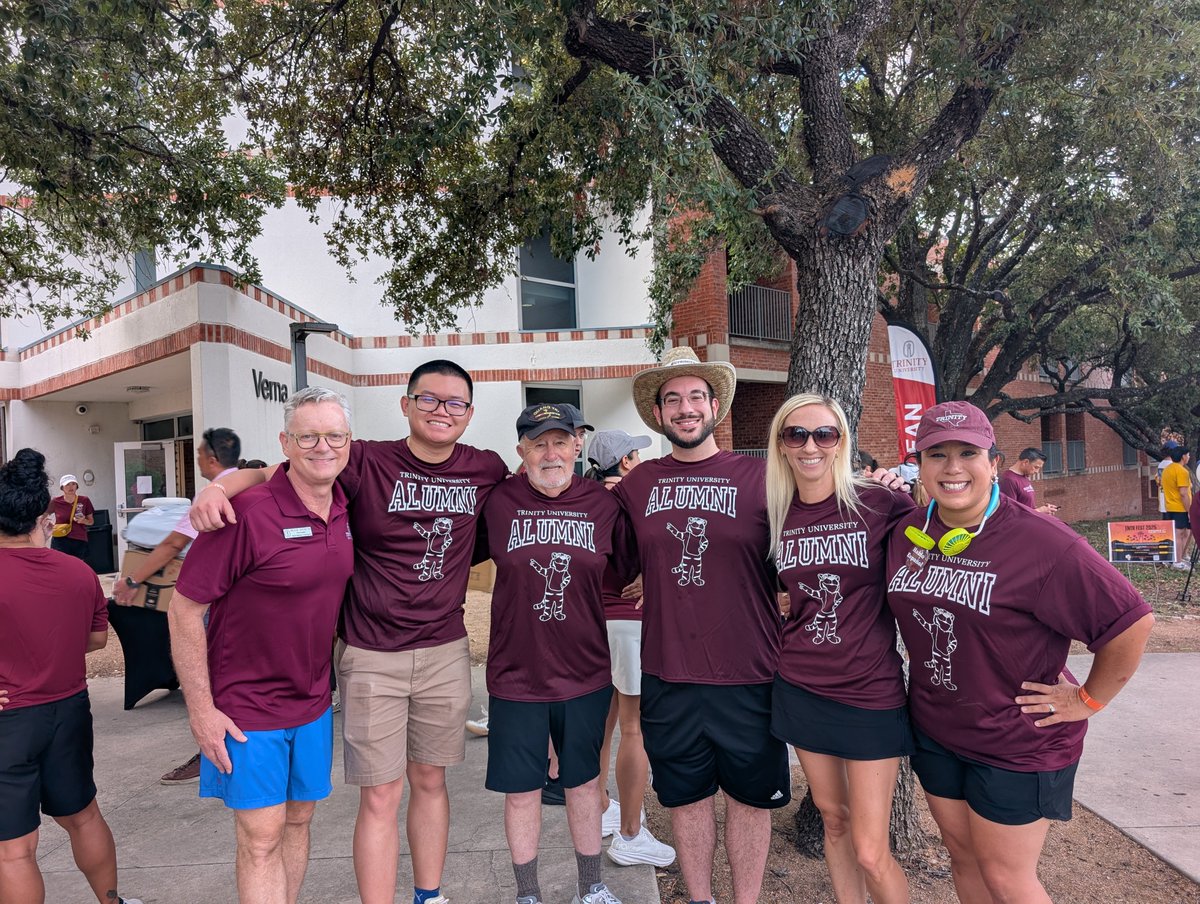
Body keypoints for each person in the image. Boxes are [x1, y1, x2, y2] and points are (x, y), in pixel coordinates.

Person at [190, 359, 508, 904]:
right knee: (381, 793)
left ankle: (429, 896)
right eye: (428, 399)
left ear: (470, 413)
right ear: (406, 405)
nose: (441, 410)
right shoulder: (364, 458)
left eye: (455, 403)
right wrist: (221, 487)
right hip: (371, 653)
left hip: (445, 649)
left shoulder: (486, 469)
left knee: (432, 781)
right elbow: (280, 469)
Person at [885, 401, 1154, 904]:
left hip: (1017, 742)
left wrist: (1089, 699)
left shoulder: (1042, 541)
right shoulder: (907, 533)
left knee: (1007, 878)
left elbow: (1131, 623)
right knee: (962, 857)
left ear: (994, 462)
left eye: (968, 452)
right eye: (936, 454)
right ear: (917, 464)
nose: (952, 468)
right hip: (936, 729)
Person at [611, 346, 790, 904]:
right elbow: (610, 568)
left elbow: (807, 565)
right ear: (659, 415)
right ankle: (700, 899)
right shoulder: (637, 489)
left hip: (751, 674)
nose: (685, 408)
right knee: (686, 803)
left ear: (715, 406)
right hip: (671, 674)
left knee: (750, 802)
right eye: (672, 400)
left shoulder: (762, 478)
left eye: (695, 397)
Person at [169, 387, 354, 904]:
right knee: (261, 836)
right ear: (286, 443)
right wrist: (201, 711)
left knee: (298, 820)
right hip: (248, 707)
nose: (323, 446)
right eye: (308, 436)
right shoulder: (244, 513)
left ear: (349, 442)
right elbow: (184, 611)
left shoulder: (344, 503)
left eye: (334, 435)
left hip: (314, 701)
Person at [478, 404, 637, 904]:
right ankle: (528, 894)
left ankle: (591, 886)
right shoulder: (499, 501)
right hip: (515, 674)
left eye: (561, 441)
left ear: (577, 446)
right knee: (522, 791)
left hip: (585, 673)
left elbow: (637, 564)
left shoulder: (604, 504)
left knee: (584, 784)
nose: (551, 453)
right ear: (521, 450)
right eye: (539, 442)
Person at [765, 394, 914, 904]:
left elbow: (945, 552)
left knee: (872, 850)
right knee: (833, 819)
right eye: (796, 434)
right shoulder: (774, 515)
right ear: (781, 445)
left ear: (841, 441)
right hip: (802, 686)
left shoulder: (883, 504)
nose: (810, 445)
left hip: (871, 691)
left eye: (824, 434)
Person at [0, 449, 143, 904]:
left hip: (9, 723)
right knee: (83, 816)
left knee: (16, 850)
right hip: (68, 711)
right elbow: (97, 642)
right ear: (43, 516)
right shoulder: (79, 573)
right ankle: (112, 901)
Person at [111, 428, 243, 784]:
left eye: (199, 453)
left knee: (209, 675)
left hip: (214, 601)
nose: (197, 459)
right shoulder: (249, 488)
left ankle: (210, 753)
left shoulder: (211, 497)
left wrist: (133, 580)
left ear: (213, 459)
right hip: (244, 601)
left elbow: (172, 544)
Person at [585, 429, 676, 869]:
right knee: (634, 727)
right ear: (624, 462)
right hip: (631, 621)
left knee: (602, 725)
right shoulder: (637, 500)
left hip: (593, 622)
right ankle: (631, 834)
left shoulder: (584, 498)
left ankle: (603, 808)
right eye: (636, 454)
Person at [998, 448, 1059, 515]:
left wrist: (1045, 510)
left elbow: (1026, 506)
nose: (1037, 471)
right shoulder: (1008, 480)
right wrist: (1040, 511)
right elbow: (1011, 513)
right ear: (1025, 462)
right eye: (1036, 467)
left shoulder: (1024, 476)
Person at [1161, 445, 1193, 570]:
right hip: (1180, 507)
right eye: (1188, 455)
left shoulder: (1167, 470)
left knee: (1182, 533)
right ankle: (1177, 561)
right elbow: (1183, 493)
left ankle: (1181, 556)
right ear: (1183, 456)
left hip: (1169, 506)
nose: (1189, 457)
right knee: (1180, 534)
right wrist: (1189, 510)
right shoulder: (1182, 471)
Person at [50, 473, 95, 560]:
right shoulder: (56, 501)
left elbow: (91, 521)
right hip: (60, 539)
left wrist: (83, 521)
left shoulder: (84, 500)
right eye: (67, 484)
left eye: (73, 484)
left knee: (78, 567)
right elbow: (44, 515)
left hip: (79, 539)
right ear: (62, 487)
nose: (71, 487)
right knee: (61, 566)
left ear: (77, 486)